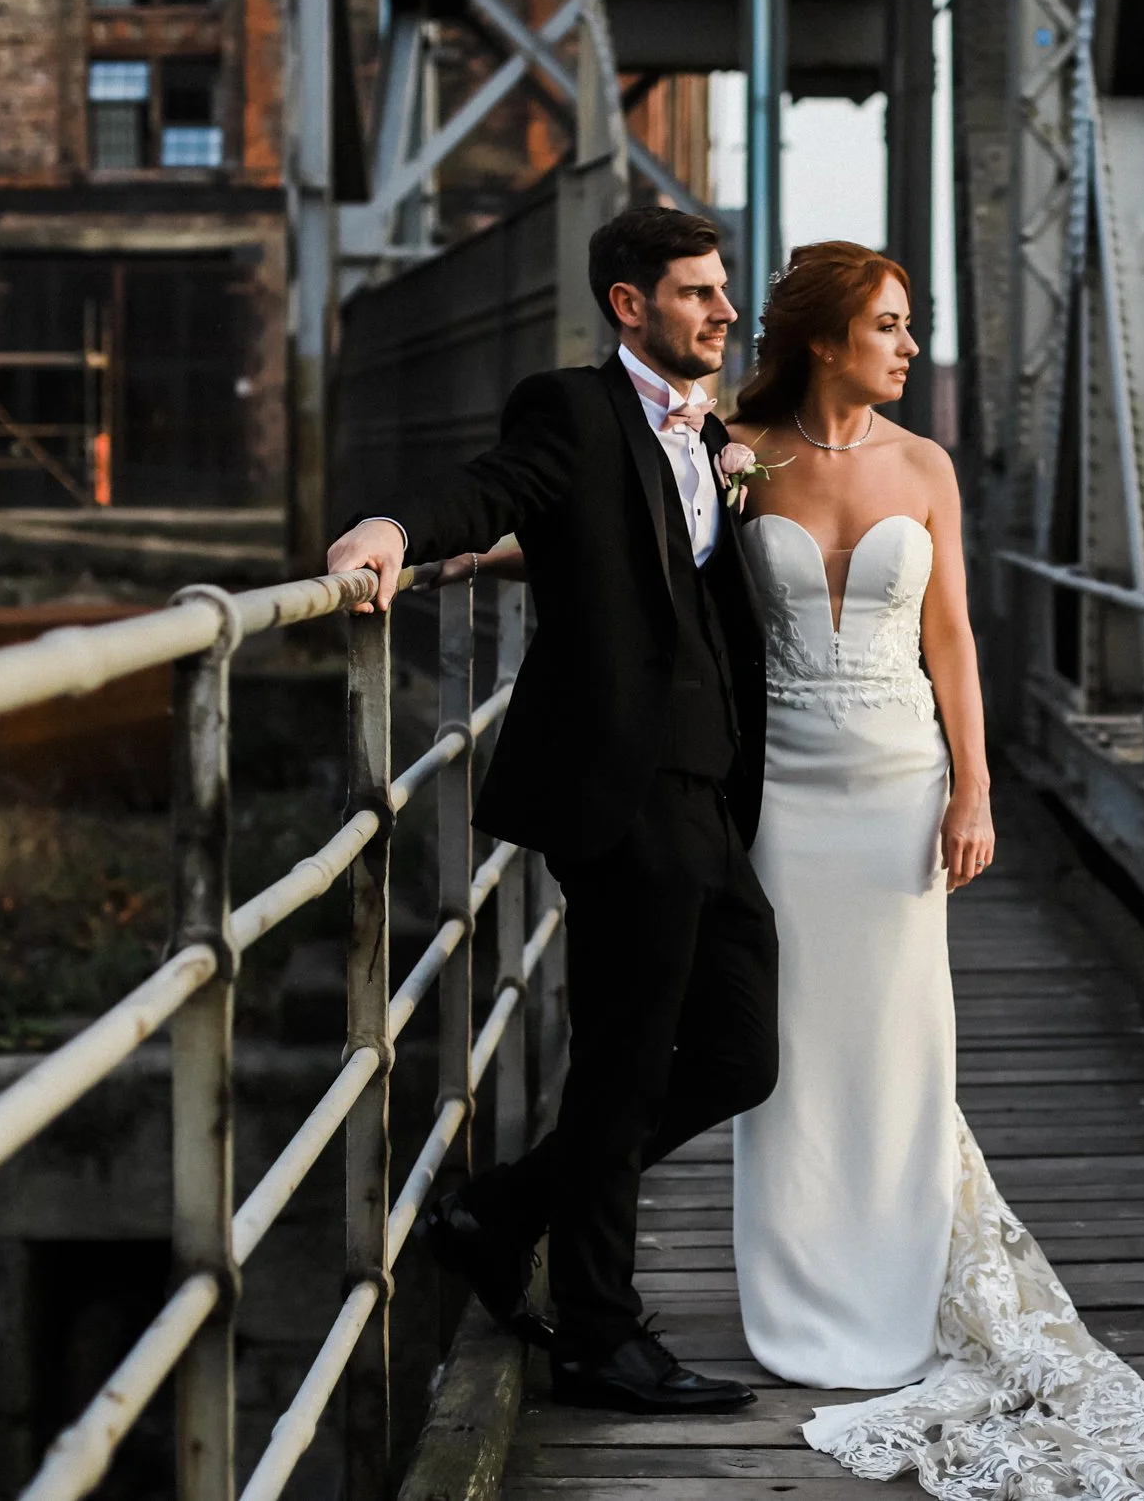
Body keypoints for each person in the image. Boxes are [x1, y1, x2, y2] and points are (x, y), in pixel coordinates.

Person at [724, 241, 1144, 1499]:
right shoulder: (739, 457)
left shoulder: (924, 465)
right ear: (826, 339)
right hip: (780, 793)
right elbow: (623, 549)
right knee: (784, 1038)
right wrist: (450, 552)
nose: (906, 345)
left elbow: (953, 643)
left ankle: (890, 1296)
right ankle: (795, 1302)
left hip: (898, 786)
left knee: (900, 1042)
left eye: (909, 325)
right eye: (887, 326)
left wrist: (975, 791)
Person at [324, 206, 775, 1416]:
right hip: (622, 790)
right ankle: (597, 1335)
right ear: (630, 305)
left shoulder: (710, 435)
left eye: (723, 290)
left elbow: (629, 549)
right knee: (624, 1067)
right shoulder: (571, 406)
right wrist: (403, 532)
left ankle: (503, 1204)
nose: (723, 311)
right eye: (696, 292)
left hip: (709, 787)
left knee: (739, 1052)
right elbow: (502, 488)